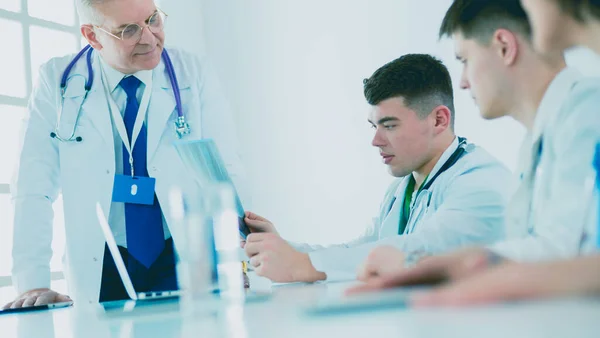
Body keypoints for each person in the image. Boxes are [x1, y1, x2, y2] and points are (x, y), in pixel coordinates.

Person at [348, 0, 600, 305]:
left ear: (504, 47)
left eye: (464, 59)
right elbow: (544, 249)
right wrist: (439, 267)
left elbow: (567, 254)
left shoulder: (587, 114)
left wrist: (453, 273)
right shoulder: (539, 140)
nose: (463, 82)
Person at [3, 0, 243, 309]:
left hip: (184, 254)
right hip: (103, 261)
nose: (149, 37)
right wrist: (32, 281)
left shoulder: (192, 73)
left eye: (153, 19)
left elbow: (226, 170)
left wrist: (236, 251)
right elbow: (32, 187)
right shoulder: (57, 81)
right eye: (128, 30)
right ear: (92, 36)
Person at [241, 54, 511, 283]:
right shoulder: (402, 189)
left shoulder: (480, 183)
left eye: (390, 126)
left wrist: (303, 265)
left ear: (439, 120)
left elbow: (422, 249)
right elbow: (363, 249)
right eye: (374, 126)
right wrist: (284, 249)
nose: (375, 140)